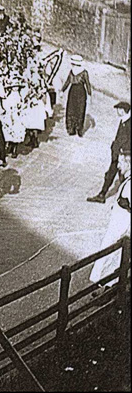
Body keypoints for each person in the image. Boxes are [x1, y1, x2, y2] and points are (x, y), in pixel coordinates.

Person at [88, 151, 130, 288]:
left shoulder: (130, 184)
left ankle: (106, 287)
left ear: (129, 164)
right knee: (110, 256)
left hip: (120, 229)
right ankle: (105, 285)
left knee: (111, 257)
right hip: (117, 227)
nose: (118, 166)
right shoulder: (127, 181)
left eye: (121, 162)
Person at [88, 101, 132, 203]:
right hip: (117, 154)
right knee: (111, 174)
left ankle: (124, 198)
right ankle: (102, 195)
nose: (117, 111)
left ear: (123, 110)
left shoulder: (128, 123)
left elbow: (127, 140)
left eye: (118, 109)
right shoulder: (124, 120)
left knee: (124, 176)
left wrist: (123, 153)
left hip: (123, 156)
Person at [61, 55, 91, 137]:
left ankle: (77, 129)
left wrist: (89, 94)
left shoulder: (83, 72)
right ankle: (73, 129)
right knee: (73, 109)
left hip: (79, 92)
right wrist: (62, 90)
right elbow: (68, 82)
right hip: (75, 91)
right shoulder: (74, 71)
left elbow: (87, 84)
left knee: (78, 110)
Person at [1, 81, 27, 159]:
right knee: (9, 131)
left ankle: (14, 150)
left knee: (16, 131)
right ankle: (10, 147)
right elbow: (6, 104)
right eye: (14, 87)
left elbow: (21, 104)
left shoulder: (18, 95)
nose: (16, 88)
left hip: (16, 115)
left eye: (17, 86)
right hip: (10, 114)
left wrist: (20, 108)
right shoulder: (10, 95)